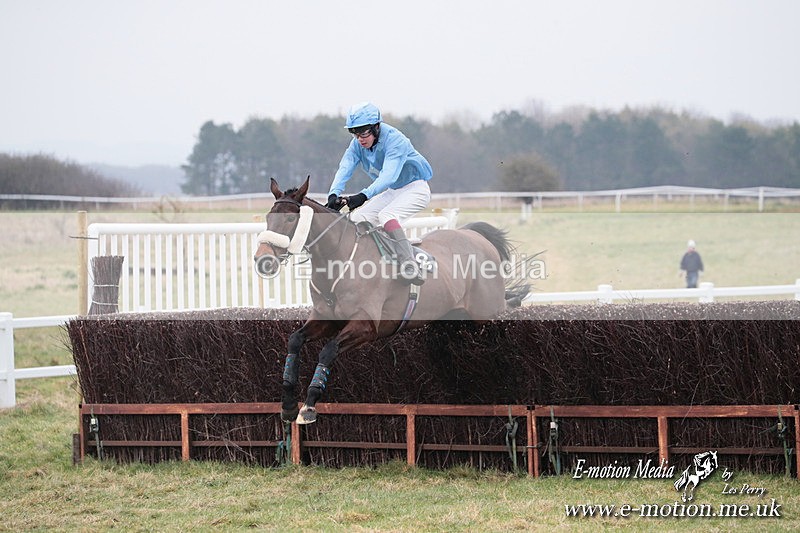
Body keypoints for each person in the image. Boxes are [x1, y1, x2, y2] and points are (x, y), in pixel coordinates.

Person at [325, 102, 433, 285]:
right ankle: (374, 263)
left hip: (416, 188)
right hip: (394, 191)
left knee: (387, 215)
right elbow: (345, 167)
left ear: (376, 127)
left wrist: (363, 195)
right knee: (357, 219)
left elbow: (388, 177)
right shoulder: (357, 144)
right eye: (355, 133)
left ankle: (409, 265)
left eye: (364, 132)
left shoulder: (396, 140)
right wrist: (333, 194)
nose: (360, 138)